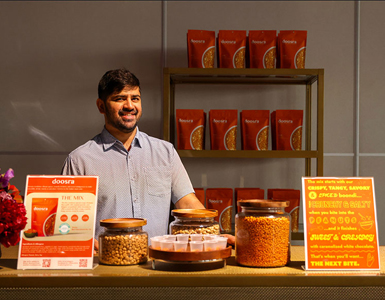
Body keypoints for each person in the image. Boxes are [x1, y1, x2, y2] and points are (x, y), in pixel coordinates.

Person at [61, 68, 206, 242]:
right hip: (105, 265)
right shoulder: (80, 160)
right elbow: (66, 222)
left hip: (156, 264)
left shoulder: (165, 153)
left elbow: (187, 203)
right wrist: (81, 241)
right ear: (101, 106)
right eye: (119, 98)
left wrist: (212, 232)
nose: (129, 106)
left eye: (135, 98)